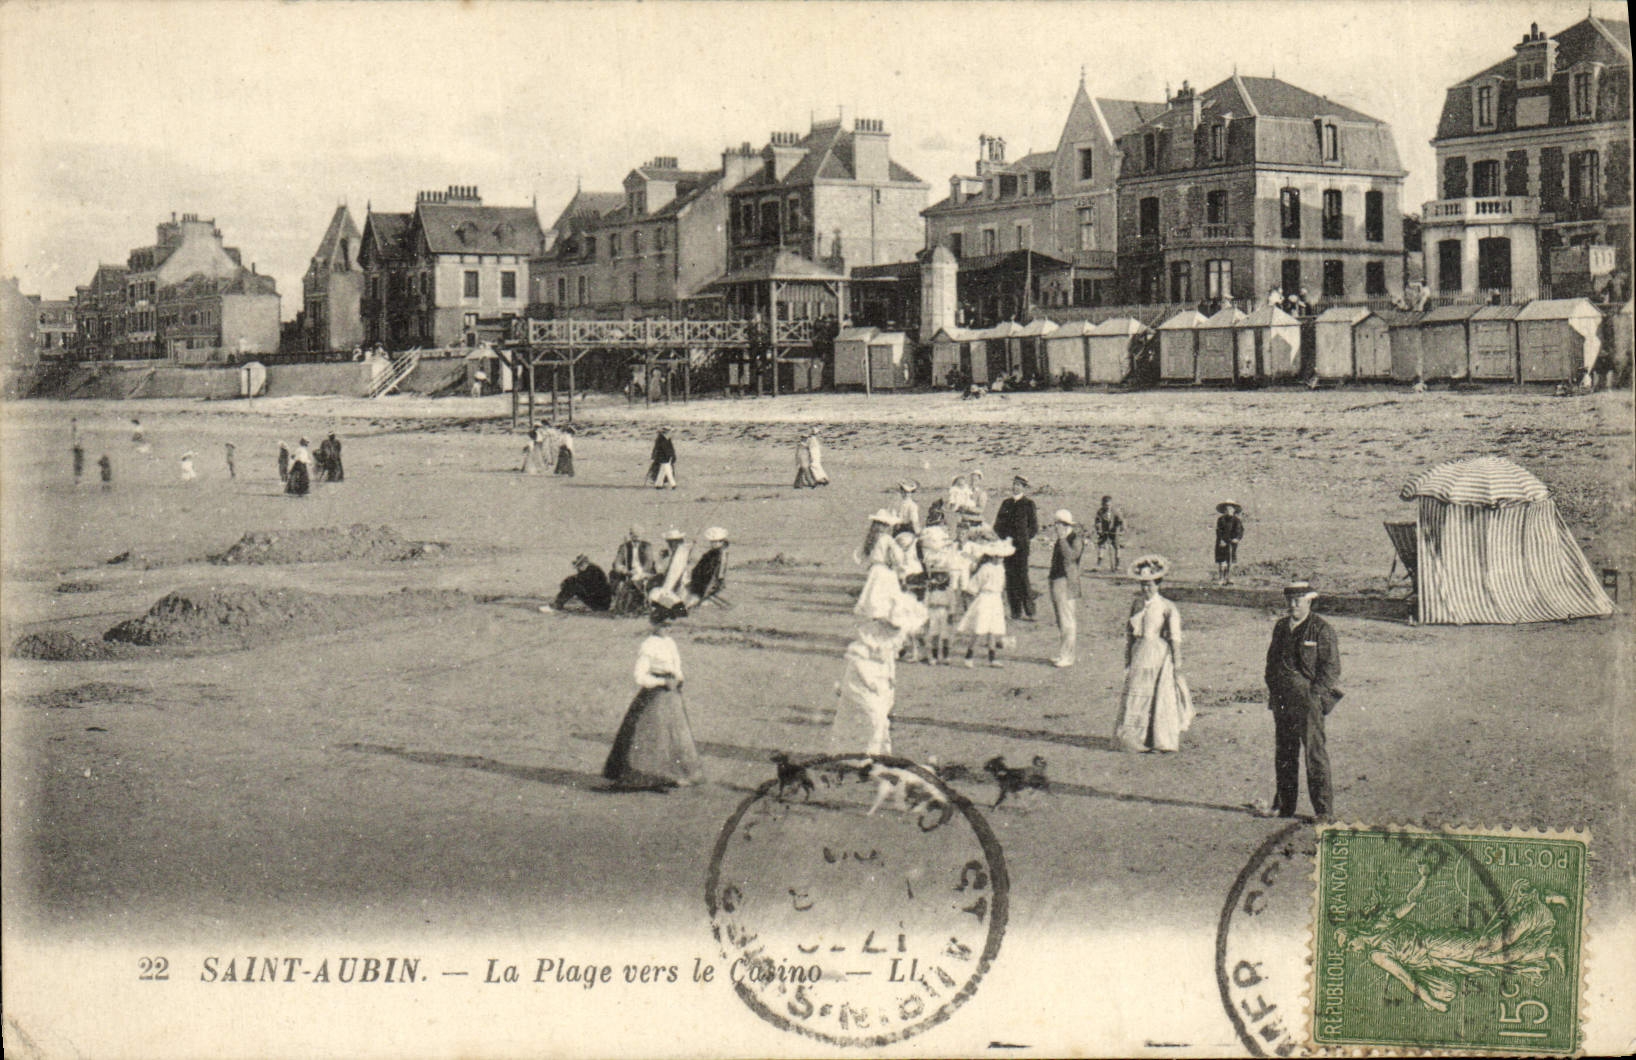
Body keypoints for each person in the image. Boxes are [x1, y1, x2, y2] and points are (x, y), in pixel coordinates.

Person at [602, 603, 703, 790]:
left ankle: (669, 774)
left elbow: (676, 665)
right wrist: (662, 683)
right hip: (655, 695)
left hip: (671, 695)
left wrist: (678, 678)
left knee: (673, 736)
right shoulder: (648, 645)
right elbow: (640, 676)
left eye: (669, 625)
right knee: (651, 736)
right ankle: (648, 776)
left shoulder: (670, 642)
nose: (667, 628)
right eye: (663, 625)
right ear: (654, 624)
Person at [1263, 581, 1342, 821]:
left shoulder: (1321, 629)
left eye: (1298, 600)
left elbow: (1331, 668)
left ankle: (1323, 812)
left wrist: (1315, 696)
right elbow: (1271, 663)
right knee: (1285, 754)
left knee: (1314, 755)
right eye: (1290, 600)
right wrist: (1274, 689)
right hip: (1282, 700)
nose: (1293, 605)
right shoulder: (1280, 627)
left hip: (1308, 702)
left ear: (1309, 601)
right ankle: (1285, 806)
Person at [829, 592, 928, 756]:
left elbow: (890, 658)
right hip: (861, 678)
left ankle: (879, 752)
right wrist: (869, 681)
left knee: (881, 716)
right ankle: (859, 753)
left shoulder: (897, 635)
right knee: (870, 715)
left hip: (881, 678)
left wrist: (890, 675)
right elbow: (857, 660)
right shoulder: (870, 633)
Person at [1113, 555, 1191, 752]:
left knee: (1157, 696)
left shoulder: (1167, 607)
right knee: (1137, 694)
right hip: (1139, 652)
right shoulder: (1137, 604)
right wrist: (1128, 657)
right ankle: (1135, 739)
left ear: (1158, 584)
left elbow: (1174, 637)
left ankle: (1158, 740)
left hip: (1158, 653)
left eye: (1150, 585)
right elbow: (1130, 634)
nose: (1146, 589)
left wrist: (1177, 662)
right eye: (1143, 585)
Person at [958, 539, 1012, 667]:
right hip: (985, 598)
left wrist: (1003, 599)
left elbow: (1002, 585)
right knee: (980, 628)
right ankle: (969, 656)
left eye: (1002, 557)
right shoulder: (985, 568)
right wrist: (970, 595)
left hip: (996, 599)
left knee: (993, 628)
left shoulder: (1001, 569)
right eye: (998, 557)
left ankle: (992, 658)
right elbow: (974, 585)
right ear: (993, 556)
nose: (1001, 559)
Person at [993, 475, 1040, 620]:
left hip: (1021, 547)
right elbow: (998, 525)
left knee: (1022, 576)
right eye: (1014, 484)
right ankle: (1015, 611)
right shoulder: (1006, 503)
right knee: (1010, 576)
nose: (1015, 487)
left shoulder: (1028, 504)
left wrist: (1024, 538)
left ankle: (1030, 611)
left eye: (1019, 485)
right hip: (1007, 546)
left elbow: (1034, 527)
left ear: (1024, 488)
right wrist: (1005, 537)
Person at [920, 525, 968, 665]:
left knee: (946, 635)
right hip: (933, 612)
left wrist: (952, 613)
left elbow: (952, 602)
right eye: (937, 576)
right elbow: (926, 601)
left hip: (945, 612)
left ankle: (946, 655)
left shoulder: (948, 590)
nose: (940, 578)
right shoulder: (931, 589)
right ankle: (934, 656)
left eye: (943, 576)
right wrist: (925, 614)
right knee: (934, 634)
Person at [1047, 510, 1085, 668]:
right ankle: (1063, 653)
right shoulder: (1061, 539)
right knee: (1060, 619)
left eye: (1058, 524)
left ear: (1064, 525)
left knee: (1067, 619)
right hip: (1057, 580)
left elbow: (1071, 557)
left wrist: (1062, 539)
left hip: (1067, 582)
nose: (1055, 527)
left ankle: (1068, 656)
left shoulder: (1075, 539)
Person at [855, 510, 906, 621]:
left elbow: (858, 556)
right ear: (885, 526)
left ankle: (876, 617)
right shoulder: (887, 539)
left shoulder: (870, 538)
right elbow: (898, 555)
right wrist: (899, 564)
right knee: (887, 594)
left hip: (874, 570)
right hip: (884, 570)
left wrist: (870, 562)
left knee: (873, 594)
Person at [610, 526, 656, 615]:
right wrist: (624, 570)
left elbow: (648, 563)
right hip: (628, 572)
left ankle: (641, 604)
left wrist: (639, 571)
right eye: (634, 536)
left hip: (643, 572)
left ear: (642, 535)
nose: (636, 538)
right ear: (630, 535)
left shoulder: (647, 546)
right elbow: (617, 562)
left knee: (638, 581)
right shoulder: (624, 547)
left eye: (638, 536)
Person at [543, 554, 612, 613]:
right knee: (573, 585)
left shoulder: (593, 571)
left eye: (579, 565)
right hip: (600, 601)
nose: (578, 568)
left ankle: (557, 605)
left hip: (600, 603)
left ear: (585, 563)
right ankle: (557, 603)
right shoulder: (590, 570)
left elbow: (579, 580)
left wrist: (567, 582)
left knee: (573, 587)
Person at [686, 527, 729, 608]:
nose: (714, 543)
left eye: (717, 541)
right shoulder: (712, 553)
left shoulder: (721, 555)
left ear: (722, 542)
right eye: (713, 542)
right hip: (701, 582)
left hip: (705, 585)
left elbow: (718, 575)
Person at [649, 528, 691, 608]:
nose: (672, 545)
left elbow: (672, 576)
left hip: (678, 587)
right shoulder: (674, 554)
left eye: (674, 542)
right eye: (670, 542)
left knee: (654, 593)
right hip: (674, 585)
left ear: (679, 542)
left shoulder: (680, 555)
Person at [1215, 500, 1245, 585]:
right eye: (1227, 509)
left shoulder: (1237, 520)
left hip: (1232, 543)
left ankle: (1229, 577)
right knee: (1222, 561)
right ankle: (1221, 578)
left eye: (1231, 509)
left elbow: (1240, 531)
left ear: (1234, 510)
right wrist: (1221, 540)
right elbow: (1219, 531)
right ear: (1224, 510)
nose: (1229, 511)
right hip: (1222, 542)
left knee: (1230, 561)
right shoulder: (1221, 520)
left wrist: (1237, 538)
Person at [1093, 495, 1125, 572]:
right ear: (1102, 504)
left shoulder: (1115, 511)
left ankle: (1118, 565)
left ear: (1111, 504)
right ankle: (1099, 564)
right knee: (1101, 546)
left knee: (1117, 547)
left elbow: (1121, 521)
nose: (1107, 507)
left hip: (1114, 531)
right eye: (1105, 505)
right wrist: (1099, 530)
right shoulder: (1100, 512)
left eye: (1109, 505)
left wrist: (1121, 529)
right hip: (1104, 532)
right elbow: (1098, 521)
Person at [71, 419, 85, 486]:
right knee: (78, 463)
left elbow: (78, 440)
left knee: (78, 463)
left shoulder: (76, 431)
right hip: (78, 449)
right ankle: (78, 478)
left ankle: (78, 478)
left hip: (78, 449)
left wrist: (77, 445)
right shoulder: (75, 431)